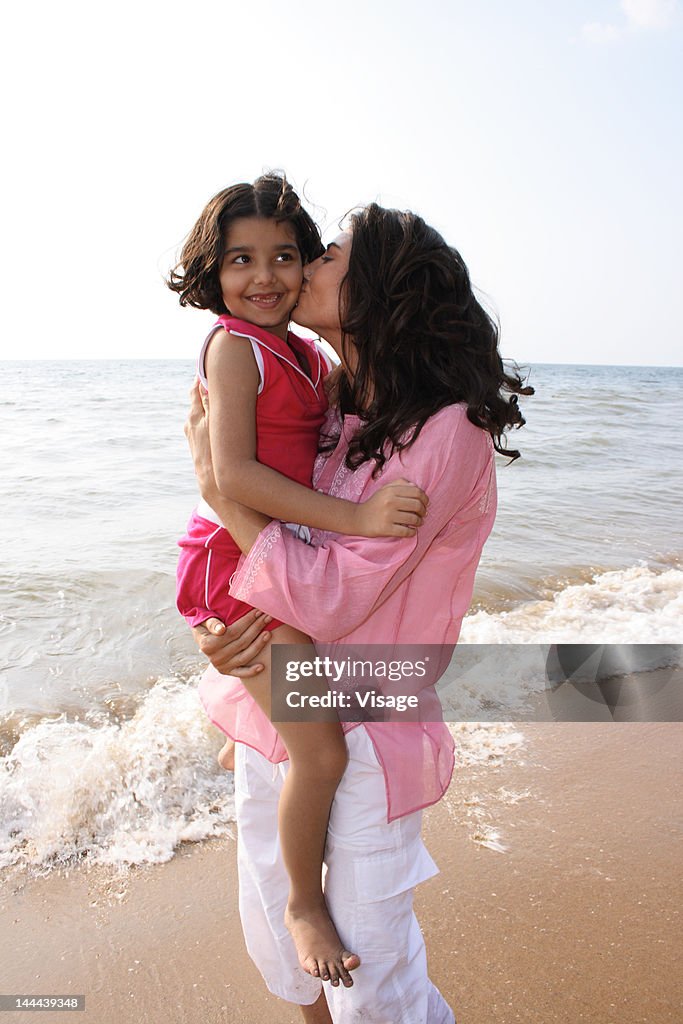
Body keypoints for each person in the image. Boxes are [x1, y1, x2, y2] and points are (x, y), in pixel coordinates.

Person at [185, 202, 533, 1024]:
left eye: (330, 252)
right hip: (290, 691)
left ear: (381, 283)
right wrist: (224, 622)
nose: (306, 260)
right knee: (281, 933)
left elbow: (334, 594)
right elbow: (277, 533)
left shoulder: (447, 431)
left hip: (369, 716)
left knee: (374, 979)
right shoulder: (333, 399)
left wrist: (214, 487)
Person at [167, 174, 430, 987]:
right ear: (212, 272)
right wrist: (352, 520)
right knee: (320, 756)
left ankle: (248, 715)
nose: (265, 277)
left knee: (303, 704)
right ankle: (303, 905)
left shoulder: (303, 351)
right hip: (237, 561)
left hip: (268, 553)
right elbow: (235, 473)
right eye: (241, 259)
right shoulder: (233, 347)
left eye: (285, 256)